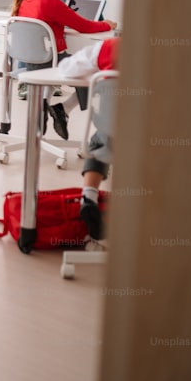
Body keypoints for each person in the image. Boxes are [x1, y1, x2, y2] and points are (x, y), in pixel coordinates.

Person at [12, 0, 116, 140]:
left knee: (75, 61)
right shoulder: (51, 3)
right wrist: (108, 24)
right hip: (50, 62)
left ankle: (44, 104)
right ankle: (63, 108)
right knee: (95, 72)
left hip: (28, 63)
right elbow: (85, 26)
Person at [59, 36, 120, 240]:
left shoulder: (109, 47)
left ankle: (89, 198)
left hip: (112, 130)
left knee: (103, 139)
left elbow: (67, 68)